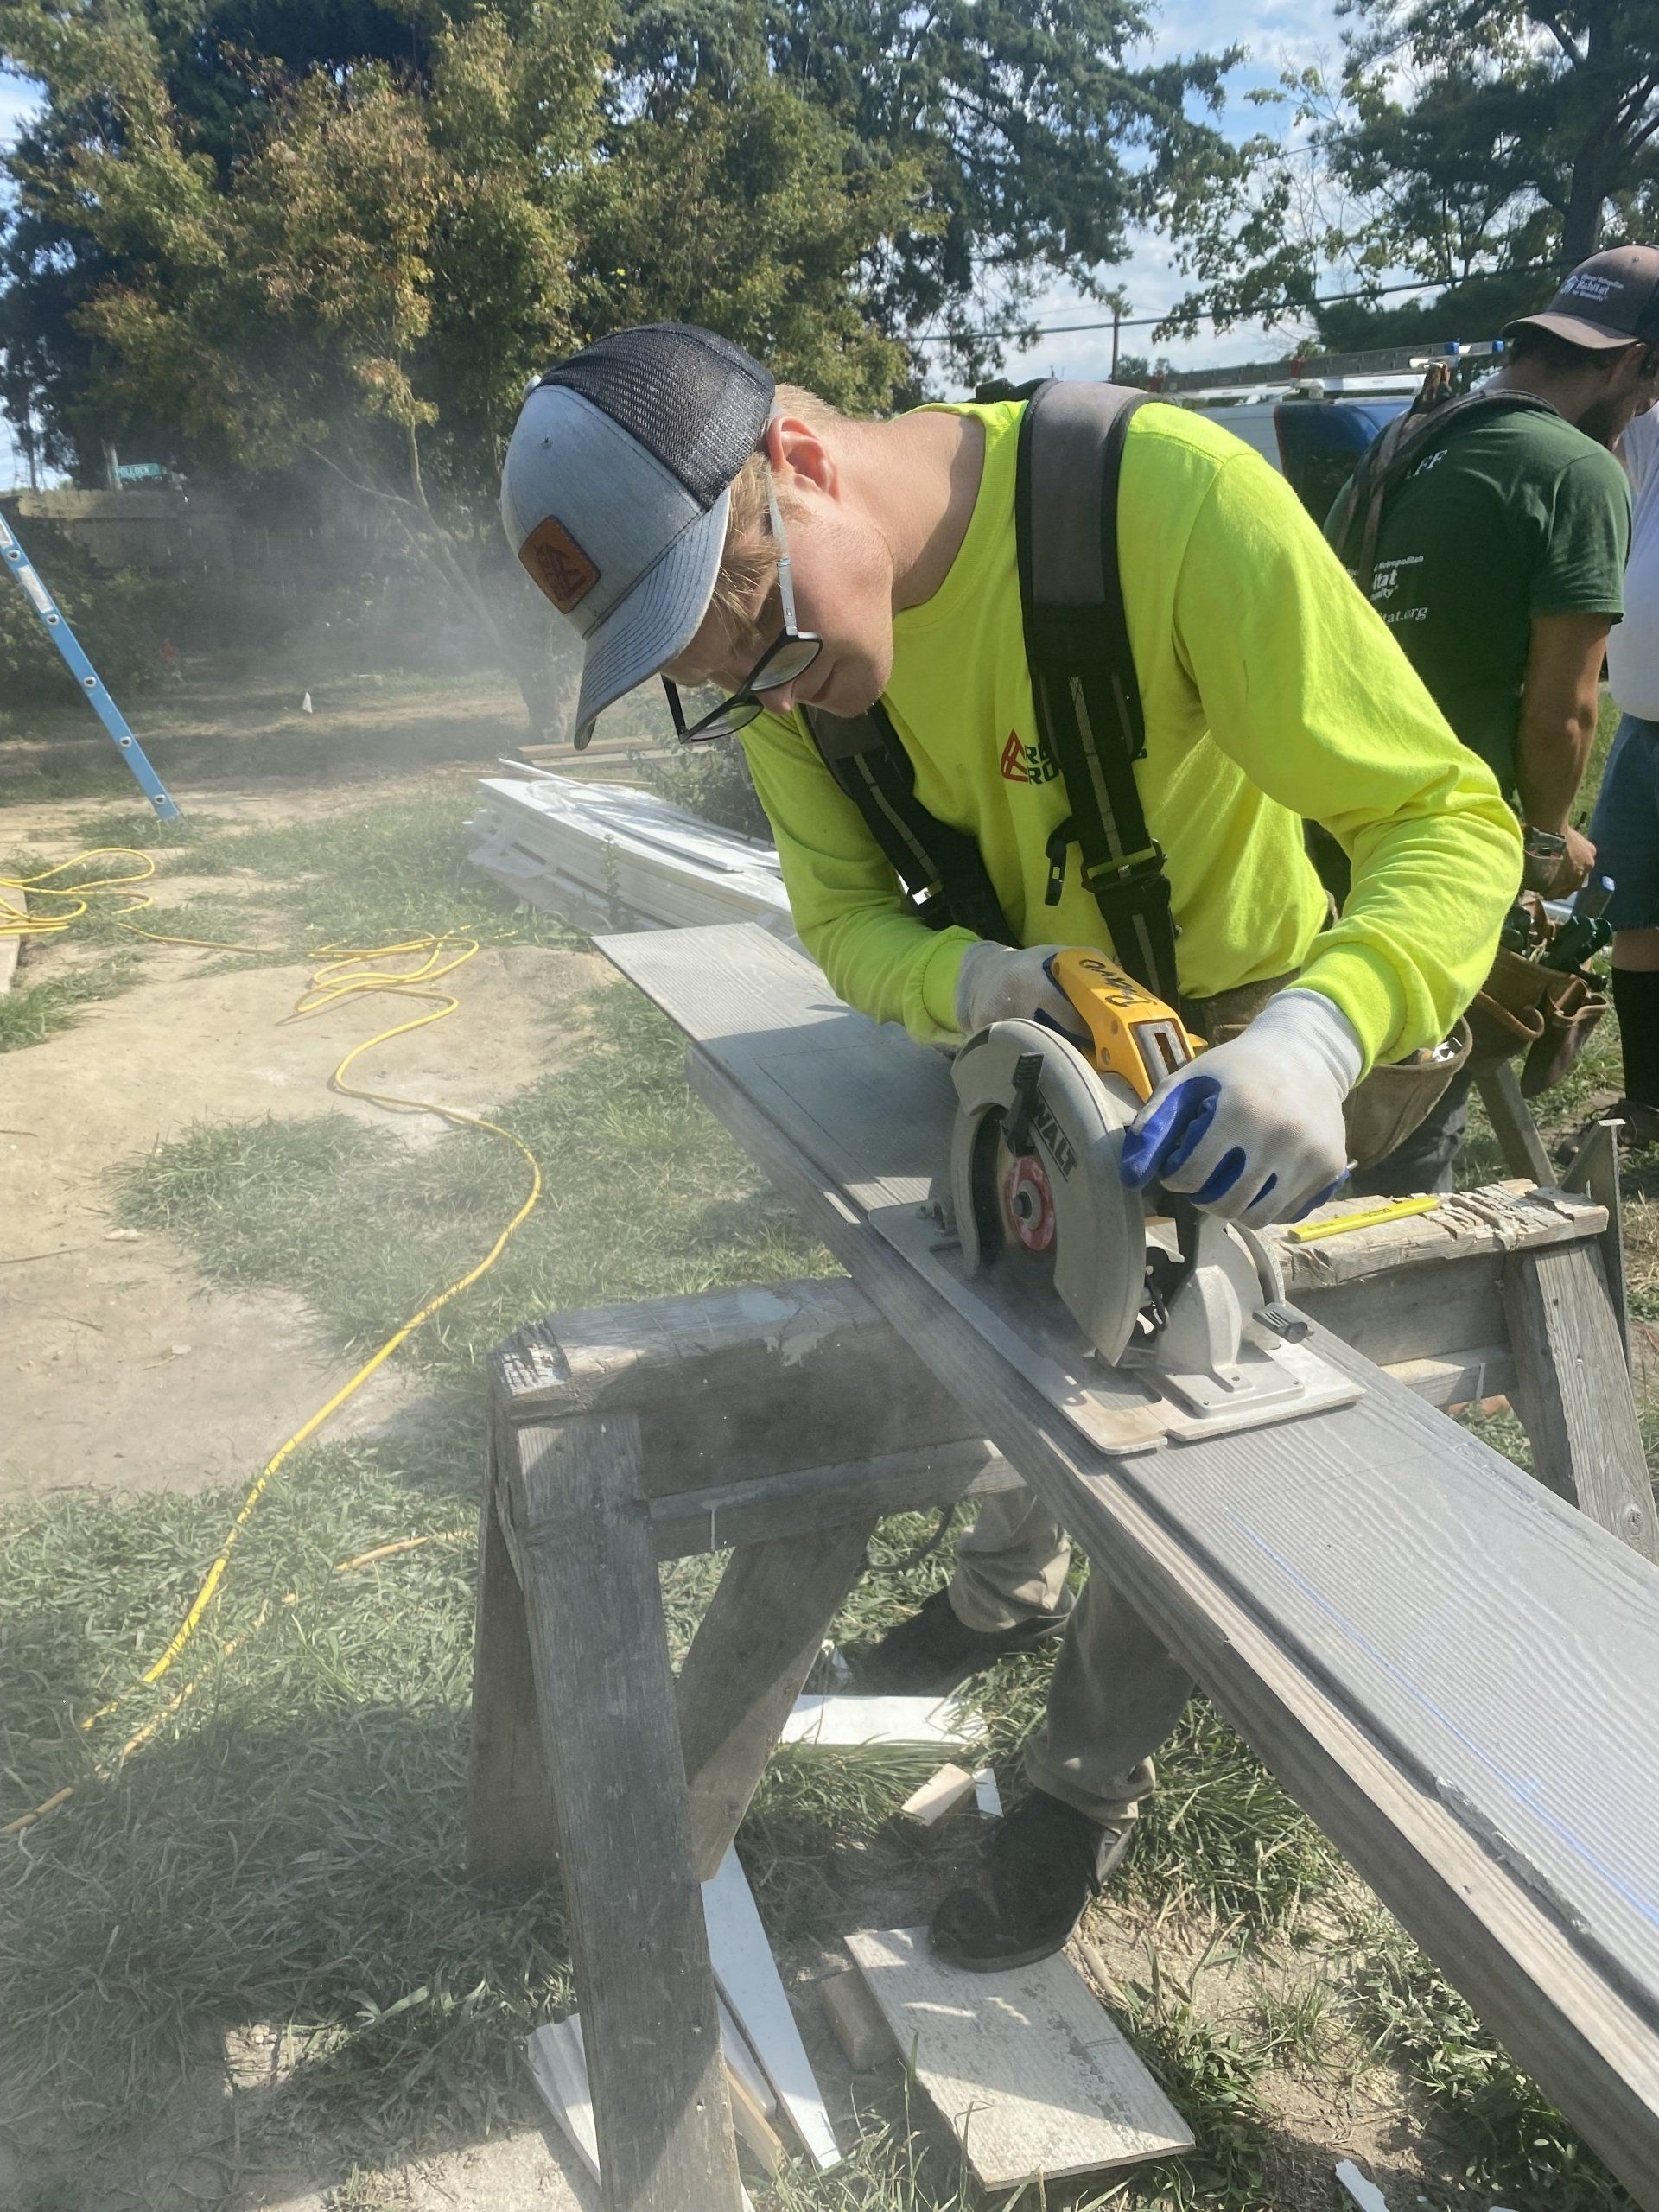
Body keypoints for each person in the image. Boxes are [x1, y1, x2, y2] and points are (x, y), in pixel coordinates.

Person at [499, 321, 1521, 1969]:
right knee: (1011, 1286)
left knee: (1171, 1381)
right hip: (1035, 1023)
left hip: (1242, 1034)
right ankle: (996, 1596)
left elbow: (1447, 820)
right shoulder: (778, 663)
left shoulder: (1154, 506)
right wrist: (982, 982)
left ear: (800, 464)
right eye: (712, 675)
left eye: (751, 633)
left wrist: (1322, 1035)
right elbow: (843, 919)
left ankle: (1077, 1788)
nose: (759, 695)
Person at [1325, 245, 1659, 1195]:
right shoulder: (1576, 472)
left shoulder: (1399, 444)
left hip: (1328, 814)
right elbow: (1564, 713)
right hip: (1444, 839)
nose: (1644, 413)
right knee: (1408, 1135)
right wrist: (1547, 840)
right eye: (1649, 390)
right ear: (1629, 362)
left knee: (1323, 1078)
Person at [1584, 375, 1659, 1148]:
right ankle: (1647, 1102)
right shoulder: (1655, 434)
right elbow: (1602, 409)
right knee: (1634, 914)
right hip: (1642, 728)